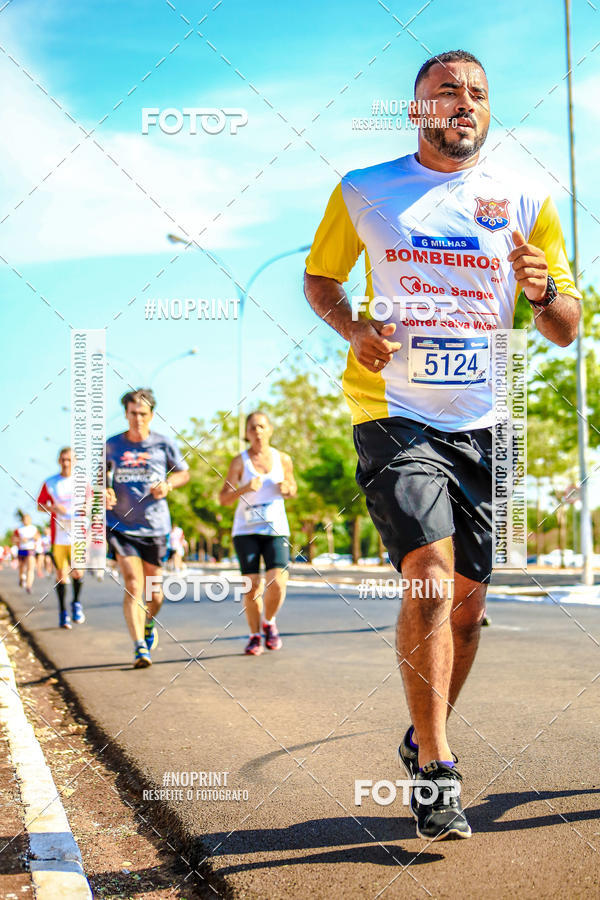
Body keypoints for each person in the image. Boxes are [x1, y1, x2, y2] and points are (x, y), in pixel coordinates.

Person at [304, 50, 581, 840]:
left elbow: (566, 330)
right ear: (417, 109)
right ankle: (436, 768)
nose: (465, 103)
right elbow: (321, 280)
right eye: (447, 91)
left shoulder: (527, 197)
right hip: (393, 410)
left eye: (478, 93)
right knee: (427, 577)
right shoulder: (365, 189)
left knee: (466, 610)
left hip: (487, 420)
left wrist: (543, 292)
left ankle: (423, 732)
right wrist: (352, 328)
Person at [105, 388, 189, 669]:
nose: (138, 418)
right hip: (121, 525)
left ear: (151, 415)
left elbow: (183, 473)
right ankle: (140, 647)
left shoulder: (163, 444)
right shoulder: (112, 445)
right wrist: (104, 491)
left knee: (155, 594)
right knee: (133, 584)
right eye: (133, 413)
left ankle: (149, 622)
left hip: (154, 525)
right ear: (126, 414)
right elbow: (99, 477)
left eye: (143, 413)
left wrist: (168, 485)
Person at [219, 412, 296, 656]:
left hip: (276, 529)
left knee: (278, 582)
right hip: (246, 530)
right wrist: (244, 488)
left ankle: (269, 622)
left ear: (270, 429)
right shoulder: (239, 462)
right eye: (253, 428)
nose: (258, 431)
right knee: (252, 586)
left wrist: (287, 489)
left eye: (262, 426)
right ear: (246, 433)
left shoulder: (283, 459)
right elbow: (223, 498)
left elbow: (292, 488)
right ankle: (254, 636)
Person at [37, 447, 86, 629]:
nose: (66, 463)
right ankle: (63, 612)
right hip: (59, 536)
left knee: (78, 572)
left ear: (75, 461)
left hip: (78, 534)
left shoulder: (83, 482)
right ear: (59, 460)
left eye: (69, 460)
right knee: (61, 576)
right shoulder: (50, 483)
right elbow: (39, 505)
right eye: (63, 459)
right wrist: (54, 508)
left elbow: (92, 503)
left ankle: (76, 603)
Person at [12, 512, 39, 593]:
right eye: (25, 519)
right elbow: (13, 539)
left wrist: (32, 538)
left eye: (28, 519)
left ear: (30, 520)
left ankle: (28, 586)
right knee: (21, 567)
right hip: (21, 549)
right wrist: (20, 539)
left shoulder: (34, 528)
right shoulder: (18, 529)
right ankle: (21, 578)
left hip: (30, 549)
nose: (26, 520)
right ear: (22, 520)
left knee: (30, 568)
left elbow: (37, 537)